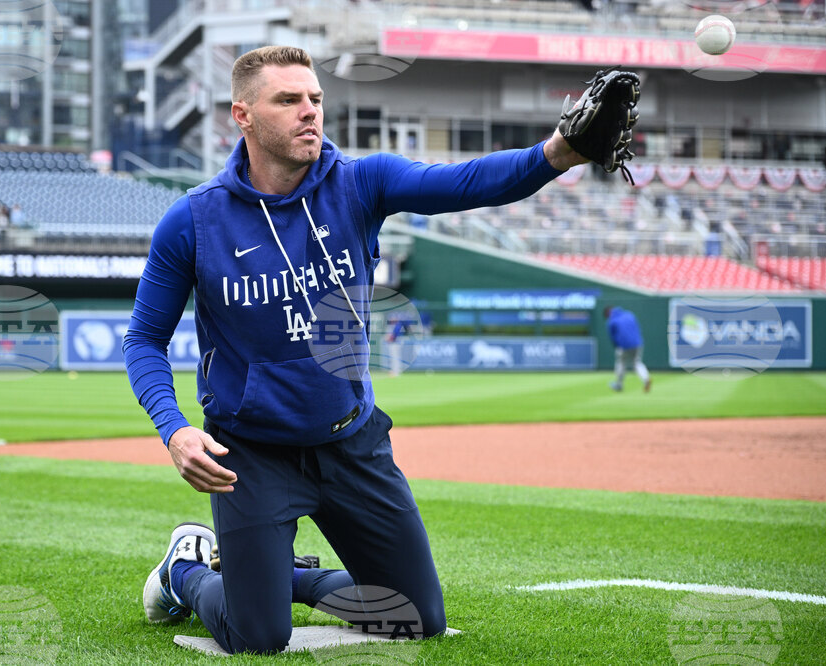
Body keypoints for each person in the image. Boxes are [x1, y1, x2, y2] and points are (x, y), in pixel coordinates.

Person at [123, 45, 598, 655]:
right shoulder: (193, 221)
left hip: (352, 442)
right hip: (253, 452)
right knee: (258, 635)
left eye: (315, 99)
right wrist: (176, 431)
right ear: (242, 116)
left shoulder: (360, 184)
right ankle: (185, 573)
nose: (309, 113)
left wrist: (560, 151)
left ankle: (283, 577)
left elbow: (470, 182)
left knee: (414, 620)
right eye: (288, 101)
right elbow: (144, 340)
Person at [604, 305, 651, 393]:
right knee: (637, 363)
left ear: (608, 313)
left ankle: (619, 385)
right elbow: (637, 328)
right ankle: (646, 379)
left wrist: (617, 346)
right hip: (637, 343)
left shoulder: (611, 321)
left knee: (621, 364)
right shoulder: (630, 314)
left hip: (624, 346)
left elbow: (612, 337)